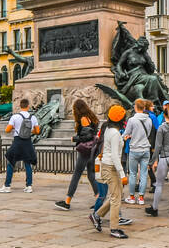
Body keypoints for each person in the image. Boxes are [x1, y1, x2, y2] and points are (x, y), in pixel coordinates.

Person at [90, 104, 130, 239]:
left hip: (110, 165)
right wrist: (123, 174)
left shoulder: (110, 129)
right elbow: (114, 156)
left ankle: (96, 215)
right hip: (111, 166)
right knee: (116, 198)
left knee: (116, 195)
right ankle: (114, 228)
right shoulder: (113, 133)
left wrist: (122, 140)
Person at [56, 99, 100, 211]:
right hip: (92, 150)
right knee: (91, 175)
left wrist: (74, 138)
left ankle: (67, 201)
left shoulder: (84, 119)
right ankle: (99, 199)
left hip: (85, 150)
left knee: (76, 175)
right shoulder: (92, 117)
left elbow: (87, 136)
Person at [147, 102, 169, 218]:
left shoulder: (162, 128)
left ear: (164, 115)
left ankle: (155, 208)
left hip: (164, 158)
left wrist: (152, 161)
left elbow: (157, 146)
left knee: (159, 184)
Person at [0, 99, 39, 192]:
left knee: (11, 162)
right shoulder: (33, 117)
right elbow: (37, 131)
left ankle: (7, 186)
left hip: (18, 141)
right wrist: (29, 131)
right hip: (28, 141)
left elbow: (7, 130)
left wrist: (15, 127)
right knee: (27, 163)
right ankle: (29, 186)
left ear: (20, 106)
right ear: (28, 106)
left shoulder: (15, 116)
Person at [122, 98, 154, 206]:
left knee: (133, 174)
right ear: (144, 107)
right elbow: (148, 134)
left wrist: (128, 136)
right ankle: (141, 197)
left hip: (134, 149)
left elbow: (126, 134)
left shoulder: (132, 120)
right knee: (144, 174)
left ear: (136, 107)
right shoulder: (149, 120)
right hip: (145, 149)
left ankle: (131, 196)